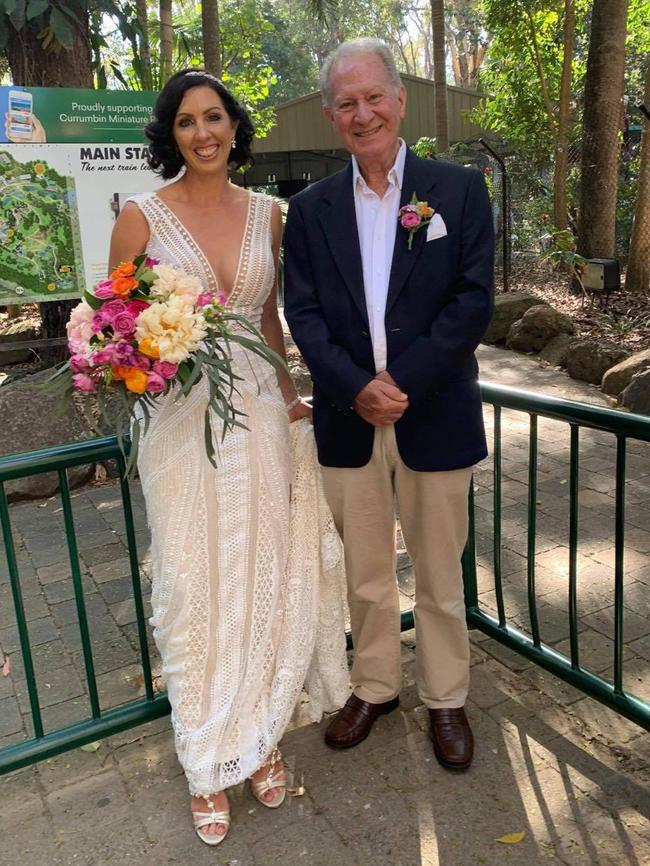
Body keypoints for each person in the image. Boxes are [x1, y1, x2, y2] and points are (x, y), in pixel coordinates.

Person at [108, 69, 349, 846]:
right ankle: (204, 758)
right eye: (186, 122)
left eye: (215, 118)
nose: (203, 133)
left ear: (235, 128)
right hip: (180, 421)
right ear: (169, 134)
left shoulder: (269, 217)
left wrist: (289, 395)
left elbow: (270, 319)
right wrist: (146, 356)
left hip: (258, 415)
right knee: (193, 578)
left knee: (259, 570)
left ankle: (256, 736)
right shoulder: (141, 216)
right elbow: (115, 326)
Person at [284, 39, 494, 771]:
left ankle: (446, 699)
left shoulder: (457, 190)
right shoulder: (308, 211)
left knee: (440, 573)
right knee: (366, 572)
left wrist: (397, 382)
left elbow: (472, 303)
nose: (362, 113)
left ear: (400, 101)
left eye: (374, 97)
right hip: (348, 418)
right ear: (329, 114)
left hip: (433, 410)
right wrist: (354, 387)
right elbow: (302, 315)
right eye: (346, 102)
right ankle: (374, 685)